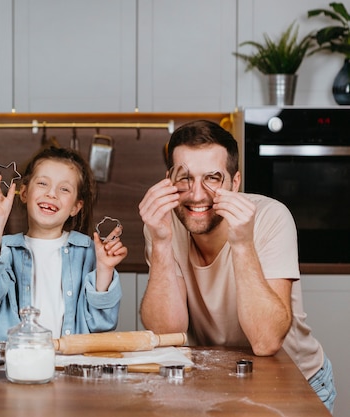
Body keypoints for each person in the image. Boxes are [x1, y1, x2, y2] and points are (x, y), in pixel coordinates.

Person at [137, 120, 336, 412]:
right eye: (185, 178)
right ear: (168, 180)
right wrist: (162, 241)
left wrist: (242, 243)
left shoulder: (271, 218)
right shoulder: (163, 224)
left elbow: (266, 341)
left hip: (295, 382)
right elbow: (168, 332)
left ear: (235, 182)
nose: (196, 194)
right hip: (216, 383)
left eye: (213, 178)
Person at [0, 146, 127, 341]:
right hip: (18, 366)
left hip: (72, 366)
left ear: (76, 207)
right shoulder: (4, 250)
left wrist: (105, 269)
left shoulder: (89, 252)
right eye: (43, 183)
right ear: (23, 193)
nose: (52, 194)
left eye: (64, 189)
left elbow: (102, 323)